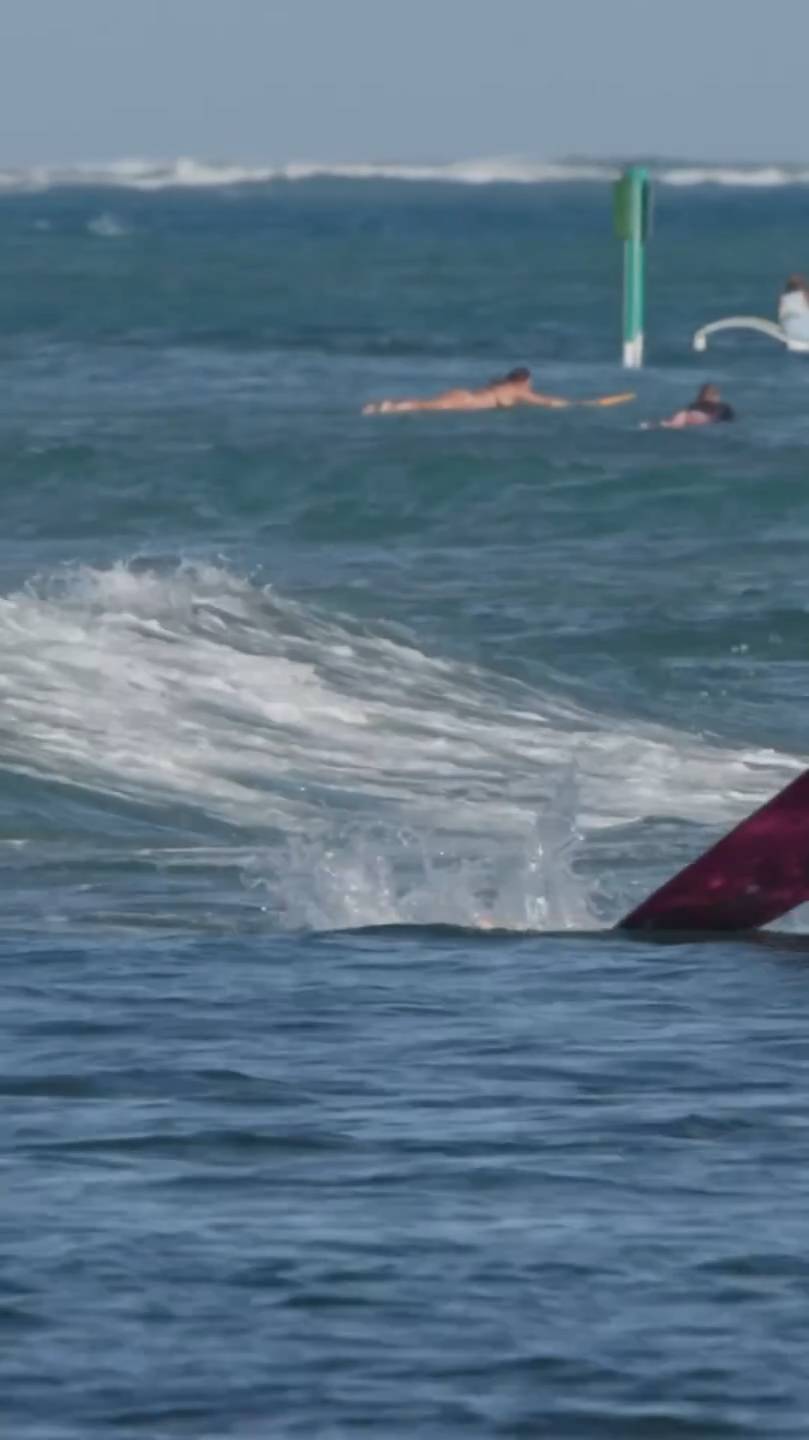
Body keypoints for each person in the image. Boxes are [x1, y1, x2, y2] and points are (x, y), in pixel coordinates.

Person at [362, 367, 570, 414]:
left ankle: (387, 406)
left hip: (463, 394)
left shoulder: (501, 386)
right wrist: (576, 404)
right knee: (425, 407)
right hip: (468, 402)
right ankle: (389, 408)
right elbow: (546, 402)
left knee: (424, 404)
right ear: (525, 381)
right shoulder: (517, 391)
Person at [644, 382, 735, 430]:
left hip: (688, 415)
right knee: (677, 423)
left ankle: (658, 424)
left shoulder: (694, 404)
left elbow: (687, 411)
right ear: (717, 396)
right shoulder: (723, 406)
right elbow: (728, 420)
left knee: (673, 422)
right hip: (704, 418)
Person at [778, 274, 809, 344]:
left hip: (791, 334)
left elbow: (782, 319)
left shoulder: (783, 299)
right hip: (806, 335)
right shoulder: (806, 295)